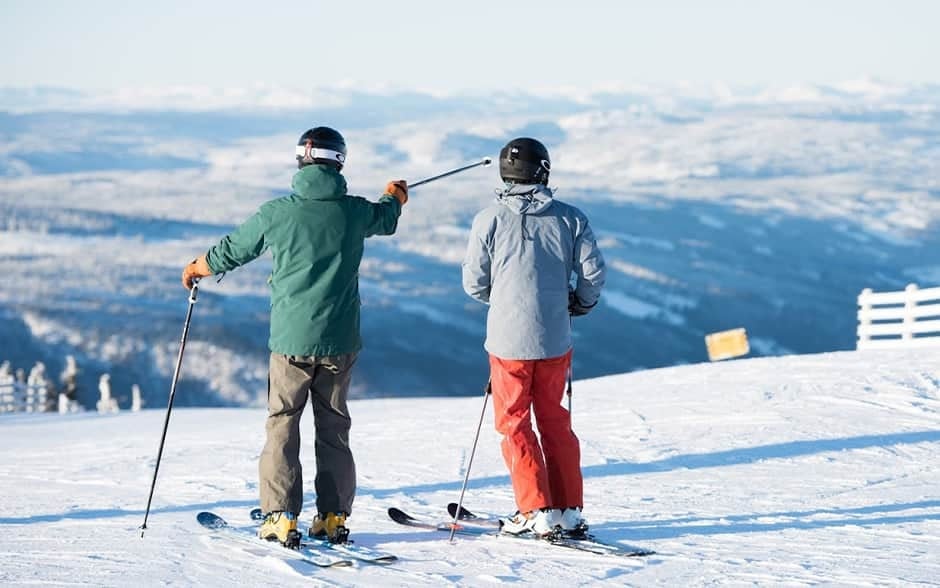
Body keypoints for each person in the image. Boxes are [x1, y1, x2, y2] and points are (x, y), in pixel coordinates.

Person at [181, 126, 408, 547]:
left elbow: (233, 249)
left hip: (290, 342)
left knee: (283, 424)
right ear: (339, 162)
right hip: (340, 340)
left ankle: (281, 516)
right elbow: (386, 218)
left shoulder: (278, 213)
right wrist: (394, 196)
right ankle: (333, 516)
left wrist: (197, 267)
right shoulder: (354, 212)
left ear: (301, 160)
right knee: (334, 425)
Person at [462, 137, 606, 537]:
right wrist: (578, 303)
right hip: (555, 338)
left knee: (514, 423)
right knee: (555, 420)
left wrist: (506, 301)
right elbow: (593, 274)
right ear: (543, 171)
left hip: (508, 343)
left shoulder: (487, 219)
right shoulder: (571, 218)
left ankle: (533, 509)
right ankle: (568, 509)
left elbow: (474, 283)